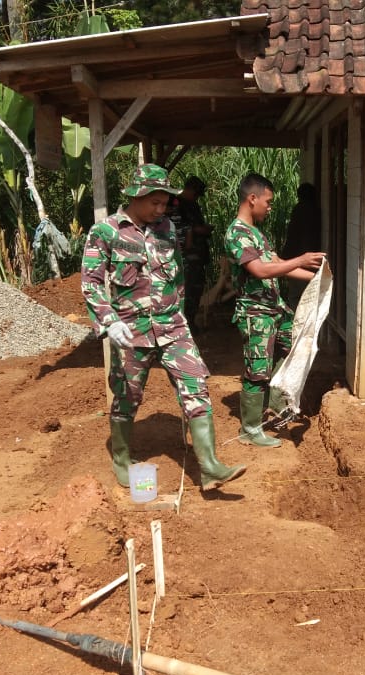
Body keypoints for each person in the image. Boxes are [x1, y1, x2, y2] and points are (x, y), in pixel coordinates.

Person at [81, 164, 245, 491]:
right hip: (131, 329)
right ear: (136, 196)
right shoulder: (106, 232)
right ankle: (122, 460)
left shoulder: (167, 228)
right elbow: (91, 282)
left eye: (164, 203)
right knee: (128, 396)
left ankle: (210, 466)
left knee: (195, 383)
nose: (161, 209)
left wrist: (181, 314)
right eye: (154, 202)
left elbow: (179, 275)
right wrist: (108, 322)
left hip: (172, 327)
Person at [224, 172, 325, 447]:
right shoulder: (236, 233)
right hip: (255, 313)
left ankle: (276, 406)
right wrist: (301, 259)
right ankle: (250, 430)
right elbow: (260, 270)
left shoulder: (256, 233)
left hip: (274, 309)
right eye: (267, 202)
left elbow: (277, 261)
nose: (270, 207)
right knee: (257, 370)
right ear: (252, 198)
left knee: (293, 347)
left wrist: (319, 278)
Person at [169, 175, 212, 333]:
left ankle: (191, 322)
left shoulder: (193, 205)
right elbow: (182, 228)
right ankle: (183, 326)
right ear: (191, 189)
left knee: (195, 291)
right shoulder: (175, 204)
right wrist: (199, 230)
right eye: (196, 194)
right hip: (185, 257)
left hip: (197, 257)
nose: (196, 198)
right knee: (185, 292)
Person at [280, 182, 322, 310]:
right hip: (309, 258)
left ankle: (295, 322)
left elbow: (294, 236)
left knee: (296, 295)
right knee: (306, 295)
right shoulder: (315, 210)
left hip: (297, 257)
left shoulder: (299, 209)